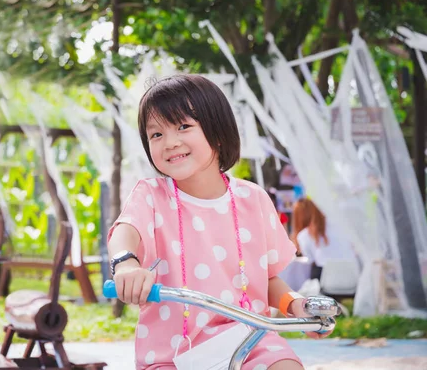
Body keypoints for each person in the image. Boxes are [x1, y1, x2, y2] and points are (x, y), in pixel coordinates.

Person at [107, 75, 333, 370]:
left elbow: (266, 280)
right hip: (171, 351)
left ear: (217, 132)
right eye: (156, 135)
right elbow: (125, 231)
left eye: (183, 126)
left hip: (249, 340)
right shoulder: (151, 196)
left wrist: (295, 304)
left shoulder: (253, 199)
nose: (170, 142)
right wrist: (126, 263)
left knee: (285, 365)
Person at [291, 197, 356, 280]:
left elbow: (310, 259)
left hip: (325, 281)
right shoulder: (341, 225)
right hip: (352, 278)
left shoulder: (304, 236)